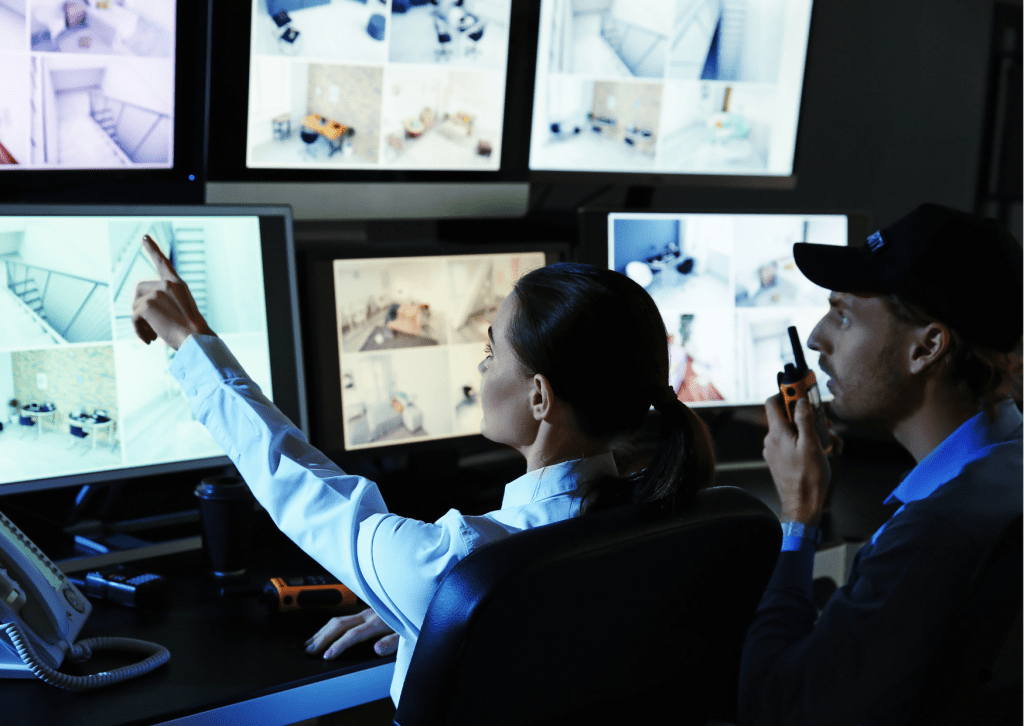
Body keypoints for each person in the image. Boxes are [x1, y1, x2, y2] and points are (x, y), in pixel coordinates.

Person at [131, 240, 715, 705]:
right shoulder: (677, 524)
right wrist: (433, 621)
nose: (481, 369)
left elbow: (294, 482)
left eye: (491, 352)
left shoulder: (459, 567)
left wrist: (190, 341)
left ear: (539, 397)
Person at [739, 203, 1023, 725]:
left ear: (926, 347)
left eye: (843, 316)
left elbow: (773, 705)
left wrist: (799, 515)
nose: (817, 337)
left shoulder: (933, 533)